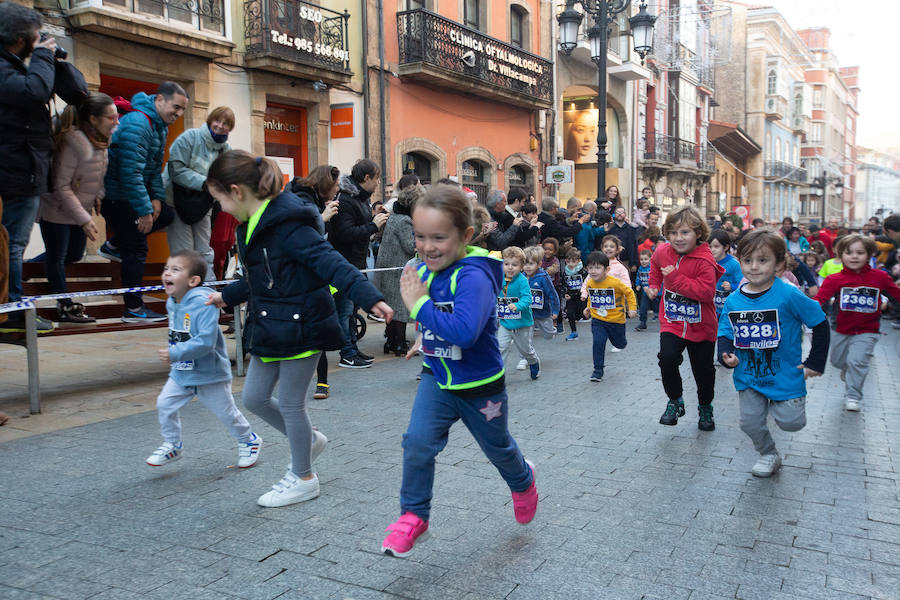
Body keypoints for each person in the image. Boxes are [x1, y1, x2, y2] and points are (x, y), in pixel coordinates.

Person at [205, 151, 392, 507]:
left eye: (220, 200)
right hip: (272, 325)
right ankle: (310, 440)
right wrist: (226, 297)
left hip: (304, 324)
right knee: (254, 398)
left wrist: (369, 297)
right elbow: (259, 276)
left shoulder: (288, 225)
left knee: (291, 403)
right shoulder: (252, 225)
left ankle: (304, 477)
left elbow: (332, 263)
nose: (222, 209)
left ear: (237, 191)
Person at [381, 184, 537, 557]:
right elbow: (439, 315)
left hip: (480, 386)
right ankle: (413, 517)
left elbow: (465, 331)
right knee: (417, 443)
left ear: (465, 236)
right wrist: (425, 335)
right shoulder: (422, 268)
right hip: (437, 379)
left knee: (498, 448)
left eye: (439, 237)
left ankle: (523, 479)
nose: (427, 246)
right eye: (420, 236)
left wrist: (418, 307)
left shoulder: (475, 277)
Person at [718, 229, 830, 477]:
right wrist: (726, 355)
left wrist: (815, 362)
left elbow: (820, 322)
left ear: (779, 264)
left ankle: (782, 403)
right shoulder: (734, 300)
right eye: (747, 260)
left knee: (791, 423)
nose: (754, 267)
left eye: (762, 260)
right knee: (749, 422)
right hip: (748, 375)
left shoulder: (788, 293)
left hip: (785, 374)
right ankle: (768, 453)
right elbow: (725, 332)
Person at [147, 249, 262, 468]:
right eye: (166, 268)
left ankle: (249, 440)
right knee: (164, 403)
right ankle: (173, 445)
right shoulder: (172, 302)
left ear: (193, 280)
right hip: (182, 372)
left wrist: (175, 353)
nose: (167, 274)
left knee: (227, 413)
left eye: (175, 269)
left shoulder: (204, 303)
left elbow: (206, 341)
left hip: (210, 374)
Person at [0, 3, 64, 333]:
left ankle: (10, 310)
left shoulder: (13, 66)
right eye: (35, 36)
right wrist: (42, 57)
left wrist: (52, 60)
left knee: (9, 243)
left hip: (19, 170)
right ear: (22, 37)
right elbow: (34, 91)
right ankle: (11, 314)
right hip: (15, 173)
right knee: (12, 243)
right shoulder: (5, 69)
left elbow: (75, 90)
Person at [101, 81, 185, 322]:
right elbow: (131, 174)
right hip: (117, 197)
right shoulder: (139, 124)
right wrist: (145, 211)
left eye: (182, 111)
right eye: (175, 107)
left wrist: (157, 199)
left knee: (167, 215)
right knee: (137, 248)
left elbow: (154, 170)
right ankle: (133, 310)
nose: (178, 114)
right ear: (159, 100)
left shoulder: (159, 126)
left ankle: (113, 245)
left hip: (132, 195)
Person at [38, 92, 117, 323]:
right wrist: (84, 219)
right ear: (93, 119)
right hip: (56, 210)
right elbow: (61, 186)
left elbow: (97, 176)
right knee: (57, 256)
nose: (116, 121)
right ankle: (65, 307)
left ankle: (26, 269)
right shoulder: (73, 143)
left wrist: (97, 195)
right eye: (111, 117)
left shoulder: (102, 141)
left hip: (79, 209)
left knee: (72, 254)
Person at [646, 206, 723, 430]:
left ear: (698, 233)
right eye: (673, 233)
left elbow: (706, 293)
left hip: (701, 325)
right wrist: (653, 285)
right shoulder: (662, 251)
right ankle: (675, 400)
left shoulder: (705, 260)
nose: (678, 238)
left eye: (685, 232)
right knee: (667, 358)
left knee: (703, 372)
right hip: (672, 320)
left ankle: (705, 407)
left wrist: (676, 279)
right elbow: (655, 266)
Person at [813, 234, 900, 412]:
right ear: (841, 255)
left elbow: (896, 295)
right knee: (837, 361)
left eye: (860, 253)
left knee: (858, 361)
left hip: (868, 330)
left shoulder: (880, 277)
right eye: (849, 252)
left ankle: (853, 395)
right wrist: (802, 312)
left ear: (869, 255)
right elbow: (819, 300)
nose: (854, 256)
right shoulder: (835, 279)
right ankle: (846, 369)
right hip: (841, 329)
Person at [287, 165, 341, 400]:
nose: (338, 189)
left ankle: (322, 382)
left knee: (316, 329)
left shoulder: (313, 201)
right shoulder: (304, 201)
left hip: (317, 273)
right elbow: (304, 235)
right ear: (326, 184)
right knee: (308, 329)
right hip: (303, 276)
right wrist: (323, 217)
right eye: (336, 184)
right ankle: (310, 382)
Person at [163, 106, 235, 281]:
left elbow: (226, 177)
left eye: (226, 124)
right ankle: (184, 299)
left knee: (205, 252)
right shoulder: (190, 137)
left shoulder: (226, 150)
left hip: (203, 206)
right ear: (210, 120)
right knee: (184, 254)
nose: (220, 126)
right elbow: (176, 169)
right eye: (217, 120)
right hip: (176, 202)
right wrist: (206, 183)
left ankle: (206, 295)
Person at [330, 159, 388, 368]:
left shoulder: (361, 199)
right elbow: (345, 233)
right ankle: (347, 353)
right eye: (377, 178)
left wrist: (373, 216)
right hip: (345, 263)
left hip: (357, 262)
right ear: (366, 178)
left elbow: (357, 226)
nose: (378, 183)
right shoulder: (346, 199)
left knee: (353, 309)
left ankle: (353, 349)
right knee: (345, 310)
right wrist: (373, 225)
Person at [374, 182, 422, 356]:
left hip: (388, 266)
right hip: (396, 268)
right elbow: (410, 246)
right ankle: (400, 344)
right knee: (399, 307)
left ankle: (391, 341)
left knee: (391, 305)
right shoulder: (405, 221)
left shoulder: (395, 216)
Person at [581, 251, 636, 381]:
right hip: (598, 320)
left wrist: (632, 308)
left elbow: (629, 293)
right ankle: (598, 370)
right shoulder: (590, 283)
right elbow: (593, 296)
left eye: (597, 267)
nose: (593, 271)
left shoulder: (615, 282)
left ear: (607, 269)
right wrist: (588, 307)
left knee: (620, 344)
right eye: (590, 268)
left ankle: (621, 342)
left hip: (616, 320)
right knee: (598, 342)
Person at [496, 246, 540, 380]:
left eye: (514, 265)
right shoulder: (498, 279)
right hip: (505, 322)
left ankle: (534, 362)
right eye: (507, 264)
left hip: (522, 323)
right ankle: (499, 375)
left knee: (525, 350)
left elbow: (527, 298)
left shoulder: (523, 281)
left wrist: (517, 305)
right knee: (500, 347)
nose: (510, 268)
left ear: (521, 267)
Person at [523, 245, 559, 346]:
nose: (528, 267)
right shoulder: (521, 277)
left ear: (539, 264)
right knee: (526, 338)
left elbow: (552, 294)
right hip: (528, 313)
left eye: (531, 264)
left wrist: (555, 310)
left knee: (548, 335)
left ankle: (552, 329)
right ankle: (526, 358)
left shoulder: (543, 278)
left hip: (543, 312)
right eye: (525, 264)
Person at [708, 229, 743, 316]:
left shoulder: (734, 264)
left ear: (726, 247)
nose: (712, 250)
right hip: (711, 308)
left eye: (716, 246)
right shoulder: (707, 262)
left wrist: (732, 286)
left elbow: (742, 284)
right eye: (710, 246)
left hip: (727, 308)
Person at [606, 206, 638, 271]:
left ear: (625, 214)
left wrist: (634, 263)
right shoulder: (610, 229)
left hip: (627, 262)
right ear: (614, 215)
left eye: (622, 212)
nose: (620, 214)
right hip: (611, 261)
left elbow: (634, 246)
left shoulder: (631, 229)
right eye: (617, 212)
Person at [634, 248, 653, 331]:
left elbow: (656, 278)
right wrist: (638, 284)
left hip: (654, 291)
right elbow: (638, 277)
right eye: (641, 259)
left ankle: (666, 321)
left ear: (650, 259)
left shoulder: (652, 268)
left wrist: (651, 286)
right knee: (643, 307)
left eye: (646, 259)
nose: (643, 261)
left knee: (658, 307)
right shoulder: (640, 268)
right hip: (645, 292)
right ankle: (642, 322)